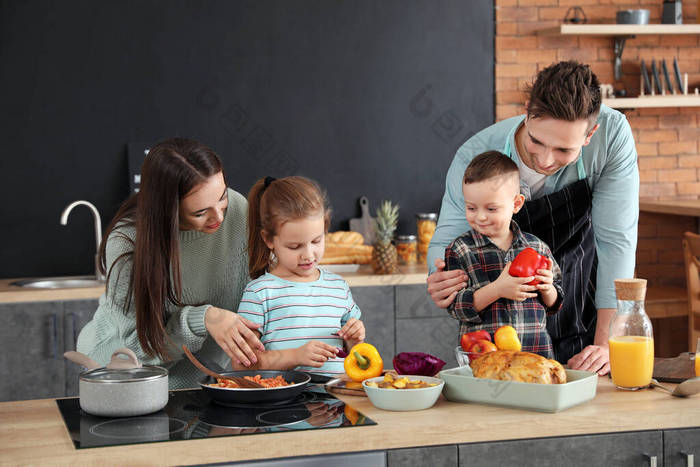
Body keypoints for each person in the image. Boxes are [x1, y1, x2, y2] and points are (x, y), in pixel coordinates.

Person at [427, 61, 639, 375]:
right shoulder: (475, 154)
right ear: (527, 112)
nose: (545, 160)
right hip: (497, 330)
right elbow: (445, 242)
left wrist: (607, 342)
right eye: (536, 141)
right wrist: (441, 276)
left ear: (590, 134)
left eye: (564, 150)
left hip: (579, 303)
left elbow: (616, 242)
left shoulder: (611, 136)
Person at [77, 138, 264, 389]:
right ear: (168, 208)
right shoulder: (127, 242)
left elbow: (258, 291)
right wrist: (204, 318)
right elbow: (138, 349)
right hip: (125, 373)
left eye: (222, 197)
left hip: (206, 376)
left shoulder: (238, 208)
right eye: (200, 212)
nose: (219, 215)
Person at [235, 175, 365, 376]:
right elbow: (241, 363)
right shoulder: (260, 292)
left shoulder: (338, 287)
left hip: (337, 400)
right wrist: (295, 356)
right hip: (281, 403)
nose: (308, 255)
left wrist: (354, 340)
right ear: (268, 239)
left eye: (316, 241)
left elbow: (353, 353)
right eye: (294, 246)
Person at [445, 151, 563, 359]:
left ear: (516, 204)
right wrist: (498, 289)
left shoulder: (538, 247)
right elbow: (457, 308)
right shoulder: (460, 249)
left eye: (491, 208)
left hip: (536, 356)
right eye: (471, 207)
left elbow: (556, 304)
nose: (480, 216)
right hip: (484, 359)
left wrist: (548, 288)